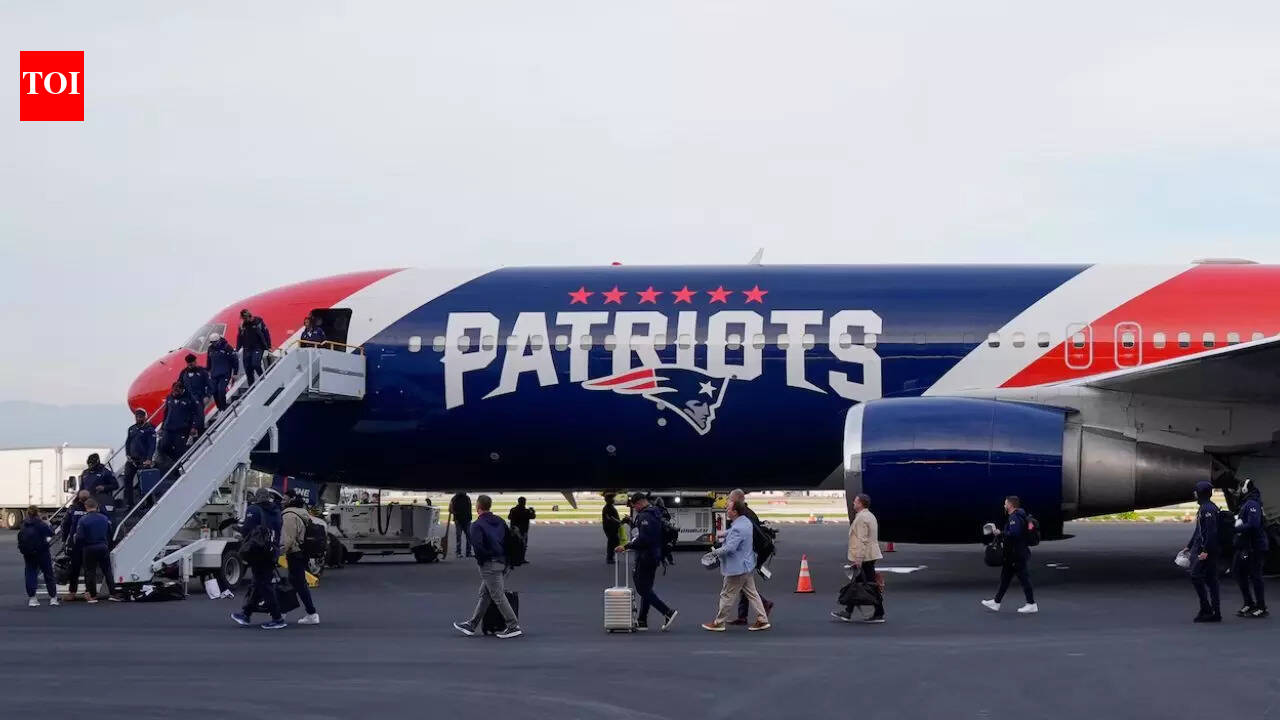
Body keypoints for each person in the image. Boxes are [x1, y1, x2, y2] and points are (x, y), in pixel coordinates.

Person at [451, 494, 523, 638]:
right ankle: (471, 624)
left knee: (497, 595)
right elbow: (509, 541)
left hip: (490, 565)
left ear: (478, 507)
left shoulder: (476, 525)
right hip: (503, 563)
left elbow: (477, 546)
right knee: (485, 593)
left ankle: (513, 625)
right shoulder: (500, 521)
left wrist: (483, 560)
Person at [701, 500, 770, 632]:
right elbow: (735, 532)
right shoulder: (745, 521)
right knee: (752, 593)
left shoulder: (739, 527)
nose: (727, 511)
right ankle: (762, 620)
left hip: (737, 569)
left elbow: (730, 548)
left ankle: (719, 623)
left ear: (735, 512)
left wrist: (714, 553)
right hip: (747, 565)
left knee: (727, 594)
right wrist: (724, 534)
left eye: (729, 509)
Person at [617, 492, 679, 632]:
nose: (635, 509)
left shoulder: (645, 516)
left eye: (634, 506)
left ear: (639, 502)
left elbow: (644, 539)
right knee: (647, 589)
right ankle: (642, 620)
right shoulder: (655, 512)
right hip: (654, 556)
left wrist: (626, 546)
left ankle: (667, 612)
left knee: (642, 588)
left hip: (646, 557)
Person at [232, 488, 287, 629]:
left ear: (257, 498)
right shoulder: (276, 511)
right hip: (272, 550)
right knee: (258, 582)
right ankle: (246, 613)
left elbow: (247, 529)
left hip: (259, 551)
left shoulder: (254, 509)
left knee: (263, 584)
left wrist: (235, 527)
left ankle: (277, 618)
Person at [833, 492, 885, 623]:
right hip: (870, 554)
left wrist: (859, 558)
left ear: (861, 503)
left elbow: (862, 539)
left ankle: (877, 612)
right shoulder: (869, 515)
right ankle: (848, 611)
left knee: (867, 584)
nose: (853, 503)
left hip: (865, 556)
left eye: (855, 501)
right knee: (861, 583)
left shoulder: (862, 518)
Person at [982, 496, 1037, 614]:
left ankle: (1031, 604)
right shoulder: (1018, 516)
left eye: (1005, 503)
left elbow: (1014, 534)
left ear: (1011, 505)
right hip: (1013, 555)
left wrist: (999, 533)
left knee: (1024, 579)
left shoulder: (1015, 517)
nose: (1004, 505)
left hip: (1017, 554)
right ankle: (996, 602)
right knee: (1005, 579)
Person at [727, 489, 774, 624]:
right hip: (755, 552)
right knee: (745, 583)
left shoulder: (744, 516)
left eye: (731, 499)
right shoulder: (749, 513)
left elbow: (743, 537)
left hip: (750, 554)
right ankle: (742, 616)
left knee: (744, 584)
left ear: (736, 500)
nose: (729, 502)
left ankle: (764, 603)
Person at [1183, 481, 1224, 622]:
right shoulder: (1204, 508)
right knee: (1211, 580)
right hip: (1208, 549)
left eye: (1196, 491)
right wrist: (1189, 546)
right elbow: (1199, 530)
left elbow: (1211, 532)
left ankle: (1207, 608)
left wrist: (1206, 550)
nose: (1194, 493)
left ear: (1201, 493)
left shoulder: (1208, 509)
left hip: (1209, 550)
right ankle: (1214, 612)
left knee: (1196, 575)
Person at [281, 493, 320, 625]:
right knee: (297, 583)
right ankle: (284, 611)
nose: (282, 501)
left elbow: (289, 538)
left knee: (297, 584)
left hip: (294, 553)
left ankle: (311, 613)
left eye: (284, 499)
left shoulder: (289, 516)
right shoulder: (303, 513)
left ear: (290, 501)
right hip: (303, 552)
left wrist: (280, 552)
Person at [1233, 478, 1269, 618]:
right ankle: (1249, 603)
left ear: (1245, 489)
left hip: (1254, 547)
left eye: (1239, 488)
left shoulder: (1252, 503)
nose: (1237, 491)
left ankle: (1261, 606)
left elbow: (1253, 525)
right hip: (1245, 547)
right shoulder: (1246, 503)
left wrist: (1237, 528)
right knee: (1238, 571)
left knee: (1255, 575)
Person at [75, 498, 119, 603]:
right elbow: (110, 533)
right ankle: (113, 593)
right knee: (107, 570)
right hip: (103, 546)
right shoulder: (104, 518)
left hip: (89, 547)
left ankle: (93, 595)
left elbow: (80, 537)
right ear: (97, 506)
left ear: (86, 507)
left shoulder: (83, 520)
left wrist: (79, 545)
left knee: (90, 571)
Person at [18, 506, 59, 607]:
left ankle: (32, 598)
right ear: (37, 513)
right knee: (48, 573)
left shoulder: (23, 524)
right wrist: (48, 524)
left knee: (30, 573)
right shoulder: (41, 524)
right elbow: (51, 533)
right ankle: (53, 598)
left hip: (28, 553)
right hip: (42, 552)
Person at [157, 381, 201, 470]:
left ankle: (180, 467)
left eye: (177, 390)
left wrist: (194, 426)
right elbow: (166, 413)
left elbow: (196, 413)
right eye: (174, 390)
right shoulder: (169, 398)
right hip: (168, 428)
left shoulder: (189, 399)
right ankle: (176, 463)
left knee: (179, 449)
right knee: (163, 446)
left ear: (182, 390)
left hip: (182, 429)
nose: (175, 392)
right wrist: (162, 427)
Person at [120, 408, 156, 508]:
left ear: (145, 417)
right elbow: (128, 443)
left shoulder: (149, 429)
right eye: (137, 416)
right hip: (132, 460)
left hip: (143, 460)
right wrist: (127, 454)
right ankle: (129, 503)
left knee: (144, 482)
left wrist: (149, 458)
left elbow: (152, 445)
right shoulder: (132, 429)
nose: (138, 418)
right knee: (127, 480)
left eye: (140, 416)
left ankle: (148, 502)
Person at [61, 490, 90, 600]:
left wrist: (64, 541)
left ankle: (73, 592)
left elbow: (65, 525)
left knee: (75, 569)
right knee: (87, 569)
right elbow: (65, 525)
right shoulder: (92, 507)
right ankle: (89, 592)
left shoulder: (73, 508)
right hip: (86, 543)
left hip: (76, 543)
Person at [236, 309, 272, 387]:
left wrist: (268, 346)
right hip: (247, 348)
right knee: (248, 370)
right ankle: (251, 388)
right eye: (243, 319)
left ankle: (263, 379)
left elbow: (266, 333)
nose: (245, 320)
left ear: (249, 316)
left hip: (257, 347)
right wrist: (237, 349)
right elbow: (239, 338)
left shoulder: (258, 322)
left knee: (255, 364)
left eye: (245, 318)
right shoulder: (242, 326)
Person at [205, 332, 238, 411]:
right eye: (212, 342)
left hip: (225, 373)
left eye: (215, 342)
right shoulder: (210, 349)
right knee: (214, 391)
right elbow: (209, 362)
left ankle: (224, 408)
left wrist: (235, 373)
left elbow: (234, 360)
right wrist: (207, 371)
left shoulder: (226, 347)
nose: (214, 344)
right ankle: (220, 408)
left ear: (219, 340)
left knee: (221, 390)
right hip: (214, 374)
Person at [450, 491, 473, 558]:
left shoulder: (467, 498)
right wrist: (456, 517)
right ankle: (459, 552)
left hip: (466, 520)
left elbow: (469, 509)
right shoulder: (454, 498)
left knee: (468, 536)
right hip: (459, 521)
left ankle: (468, 552)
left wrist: (469, 518)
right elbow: (451, 509)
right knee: (459, 537)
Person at [602, 493, 621, 564]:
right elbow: (610, 518)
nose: (614, 500)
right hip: (610, 528)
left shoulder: (610, 507)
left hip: (613, 528)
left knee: (614, 542)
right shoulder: (607, 508)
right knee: (611, 543)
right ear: (608, 500)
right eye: (612, 498)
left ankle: (611, 557)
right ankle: (609, 558)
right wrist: (620, 522)